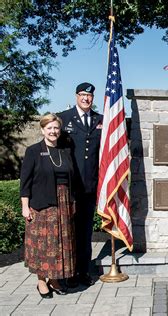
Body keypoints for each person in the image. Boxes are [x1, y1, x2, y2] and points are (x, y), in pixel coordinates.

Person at [20, 114, 75, 298]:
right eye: (49, 128)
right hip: (42, 205)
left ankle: (55, 279)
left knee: (59, 244)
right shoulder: (33, 151)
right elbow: (25, 182)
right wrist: (25, 206)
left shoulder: (64, 151)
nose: (53, 131)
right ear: (43, 130)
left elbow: (71, 179)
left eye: (56, 128)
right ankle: (41, 281)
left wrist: (72, 201)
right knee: (42, 245)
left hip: (63, 203)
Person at [58, 82, 102, 287]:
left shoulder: (100, 120)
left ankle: (82, 271)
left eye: (89, 96)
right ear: (76, 96)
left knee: (85, 231)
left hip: (90, 187)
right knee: (68, 230)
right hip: (68, 187)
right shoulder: (63, 118)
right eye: (83, 95)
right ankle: (68, 271)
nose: (86, 98)